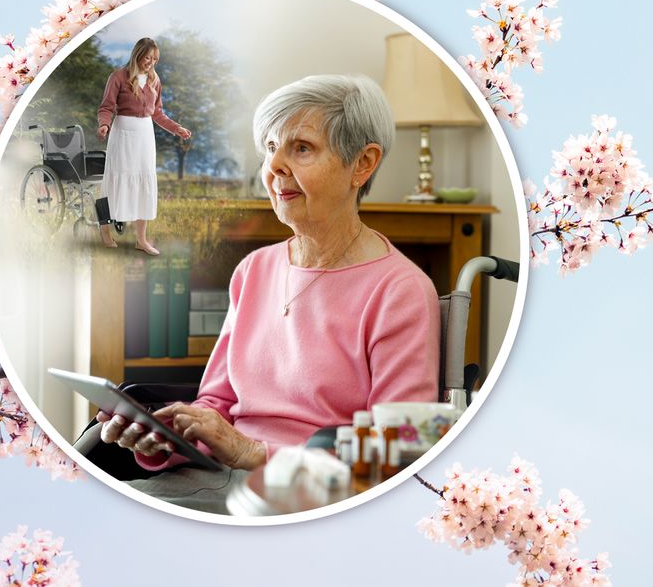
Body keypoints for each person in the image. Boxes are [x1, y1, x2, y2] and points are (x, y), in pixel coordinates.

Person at [96, 75, 439, 513]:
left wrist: (251, 453)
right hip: (216, 477)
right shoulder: (254, 270)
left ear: (363, 163)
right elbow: (216, 403)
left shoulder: (401, 291)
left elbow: (400, 454)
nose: (274, 166)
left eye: (301, 148)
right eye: (270, 147)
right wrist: (169, 437)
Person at [97, 37, 192, 255]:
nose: (150, 63)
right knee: (115, 182)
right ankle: (105, 230)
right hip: (122, 133)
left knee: (143, 184)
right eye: (147, 57)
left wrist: (177, 128)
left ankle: (141, 239)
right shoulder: (118, 77)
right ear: (137, 54)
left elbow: (157, 113)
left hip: (144, 136)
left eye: (154, 59)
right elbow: (106, 107)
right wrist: (104, 125)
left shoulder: (154, 81)